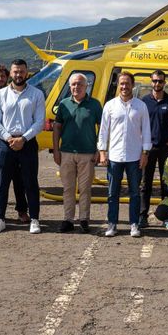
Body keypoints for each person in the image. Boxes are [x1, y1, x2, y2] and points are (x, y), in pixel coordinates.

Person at [0, 59, 46, 235]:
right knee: (2, 183)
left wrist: (24, 138)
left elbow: (39, 122)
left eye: (21, 71)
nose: (18, 75)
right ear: (10, 74)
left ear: (27, 72)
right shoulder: (1, 95)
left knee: (30, 182)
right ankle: (0, 218)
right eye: (15, 71)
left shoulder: (36, 94)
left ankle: (34, 219)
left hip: (27, 143)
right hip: (6, 144)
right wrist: (8, 138)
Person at [97, 71, 151, 238]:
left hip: (135, 157)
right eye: (121, 83)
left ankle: (134, 224)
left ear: (133, 85)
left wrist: (145, 153)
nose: (124, 86)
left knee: (135, 192)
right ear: (118, 85)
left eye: (127, 83)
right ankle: (112, 224)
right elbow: (103, 131)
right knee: (113, 193)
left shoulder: (141, 106)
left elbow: (147, 131)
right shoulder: (110, 105)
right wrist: (102, 152)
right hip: (114, 157)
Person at [53, 73, 103, 234]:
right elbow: (57, 128)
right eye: (74, 84)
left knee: (85, 189)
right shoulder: (63, 104)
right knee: (68, 188)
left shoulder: (95, 105)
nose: (76, 87)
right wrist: (56, 149)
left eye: (80, 84)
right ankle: (68, 219)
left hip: (87, 153)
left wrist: (99, 150)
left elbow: (102, 128)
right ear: (70, 86)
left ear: (86, 86)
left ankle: (84, 219)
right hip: (66, 152)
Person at [0, 65, 28, 223]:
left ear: (7, 77)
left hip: (12, 142)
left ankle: (22, 210)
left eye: (2, 76)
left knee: (18, 178)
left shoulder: (14, 94)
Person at [138, 70, 168, 229]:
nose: (157, 84)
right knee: (145, 183)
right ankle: (143, 216)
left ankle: (167, 216)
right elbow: (139, 124)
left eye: (160, 81)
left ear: (165, 83)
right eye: (155, 81)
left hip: (166, 148)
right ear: (151, 82)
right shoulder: (144, 101)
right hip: (148, 148)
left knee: (166, 183)